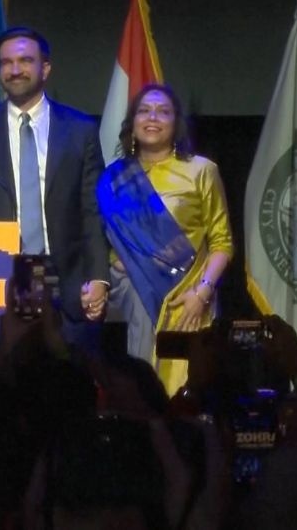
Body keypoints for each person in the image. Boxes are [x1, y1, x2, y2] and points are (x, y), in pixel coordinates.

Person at [0, 26, 110, 350]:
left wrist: (99, 277)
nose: (15, 70)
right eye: (6, 63)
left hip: (67, 281)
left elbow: (92, 210)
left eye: (25, 61)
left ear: (45, 68)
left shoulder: (80, 130)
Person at [97, 84, 232, 395]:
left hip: (189, 291)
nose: (152, 117)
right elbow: (100, 242)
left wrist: (202, 292)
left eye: (163, 111)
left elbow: (222, 243)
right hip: (128, 290)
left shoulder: (201, 171)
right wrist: (120, 269)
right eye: (144, 111)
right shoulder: (113, 178)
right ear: (132, 123)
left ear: (176, 123)